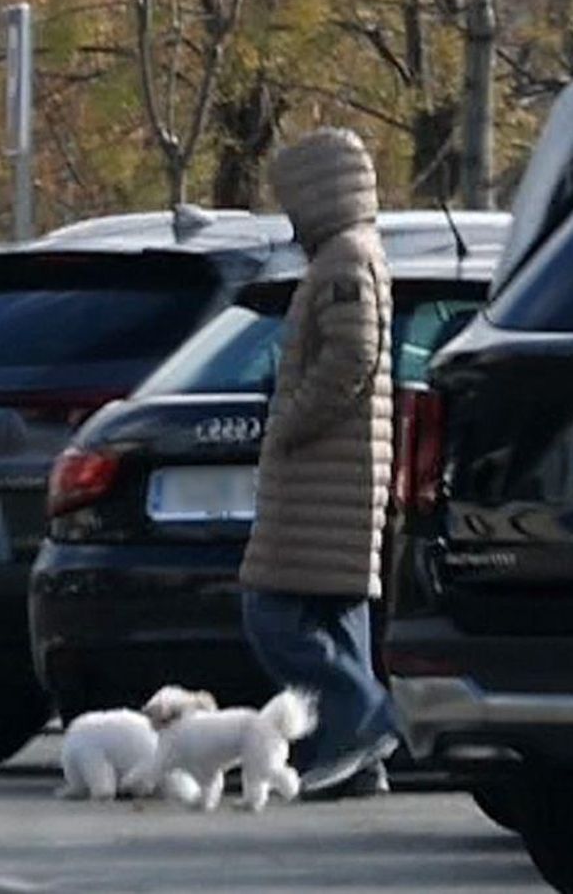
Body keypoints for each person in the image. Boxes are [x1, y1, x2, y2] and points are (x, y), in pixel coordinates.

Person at [240, 127, 402, 798]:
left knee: (271, 611)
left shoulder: (341, 262)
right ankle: (357, 763)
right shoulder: (356, 254)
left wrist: (289, 423)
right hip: (342, 476)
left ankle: (368, 717)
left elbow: (350, 359)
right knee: (338, 614)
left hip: (322, 473)